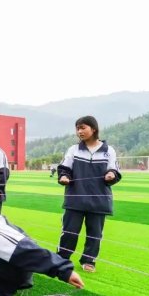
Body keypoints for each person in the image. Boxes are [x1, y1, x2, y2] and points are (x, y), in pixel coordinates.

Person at [57, 115, 121, 273]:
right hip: (75, 199)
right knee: (69, 231)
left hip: (99, 200)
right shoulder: (74, 149)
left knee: (94, 234)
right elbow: (64, 169)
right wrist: (64, 177)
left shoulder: (109, 151)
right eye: (77, 128)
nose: (79, 131)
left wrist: (111, 175)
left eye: (83, 128)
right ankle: (61, 259)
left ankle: (88, 260)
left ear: (93, 129)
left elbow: (114, 170)